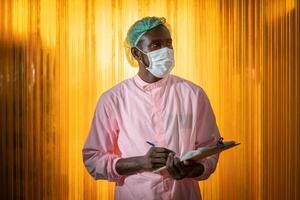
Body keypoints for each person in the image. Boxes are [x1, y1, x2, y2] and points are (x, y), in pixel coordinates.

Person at [82, 16, 221, 200]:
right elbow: (93, 159)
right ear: (137, 54)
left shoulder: (193, 95)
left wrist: (192, 169)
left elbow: (210, 148)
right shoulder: (113, 100)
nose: (166, 50)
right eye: (156, 45)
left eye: (168, 44)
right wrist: (141, 163)